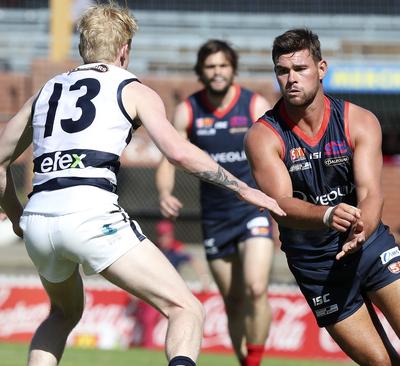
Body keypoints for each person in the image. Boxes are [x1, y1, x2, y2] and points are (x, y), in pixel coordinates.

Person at [0, 4, 284, 366]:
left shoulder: (45, 91)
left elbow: (1, 162)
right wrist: (243, 188)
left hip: (41, 217)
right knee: (186, 308)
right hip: (89, 213)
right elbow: (178, 152)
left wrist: (18, 217)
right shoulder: (132, 87)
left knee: (60, 314)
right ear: (124, 49)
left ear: (83, 46)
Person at [245, 28, 400, 366]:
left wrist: (364, 227)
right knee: (381, 363)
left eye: (300, 69)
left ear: (321, 68)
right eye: (282, 71)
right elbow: (280, 205)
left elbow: (371, 191)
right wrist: (327, 215)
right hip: (315, 262)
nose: (291, 79)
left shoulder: (358, 120)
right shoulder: (263, 135)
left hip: (369, 243)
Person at [155, 39, 275, 366]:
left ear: (233, 68)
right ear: (201, 71)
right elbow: (169, 158)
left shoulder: (253, 104)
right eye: (210, 66)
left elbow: (277, 146)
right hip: (215, 218)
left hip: (252, 209)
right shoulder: (188, 110)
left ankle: (255, 362)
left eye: (223, 65)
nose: (217, 72)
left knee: (255, 288)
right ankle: (244, 361)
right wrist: (165, 193)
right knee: (233, 301)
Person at [132, 219, 212, 349]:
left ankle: (181, 347)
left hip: (172, 290)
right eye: (160, 235)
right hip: (154, 288)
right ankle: (148, 345)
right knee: (147, 317)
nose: (162, 238)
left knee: (184, 315)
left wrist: (204, 279)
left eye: (165, 235)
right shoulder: (154, 247)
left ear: (170, 235)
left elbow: (195, 262)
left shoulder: (177, 248)